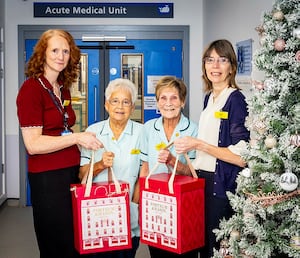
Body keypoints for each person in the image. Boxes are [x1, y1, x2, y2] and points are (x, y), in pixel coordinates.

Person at [16, 29, 103, 258]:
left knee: (73, 241)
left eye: (65, 51)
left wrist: (83, 136)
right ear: (42, 53)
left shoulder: (61, 88)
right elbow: (33, 144)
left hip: (69, 172)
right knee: (56, 243)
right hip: (48, 178)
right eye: (54, 50)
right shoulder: (31, 89)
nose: (60, 56)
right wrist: (76, 138)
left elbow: (62, 128)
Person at [173, 39, 250, 258]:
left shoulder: (235, 100)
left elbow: (242, 156)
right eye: (210, 60)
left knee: (216, 249)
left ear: (231, 67)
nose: (215, 66)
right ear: (204, 66)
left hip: (222, 186)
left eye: (222, 60)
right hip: (203, 182)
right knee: (202, 244)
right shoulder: (210, 98)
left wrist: (199, 144)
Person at [79, 78, 143, 258]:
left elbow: (143, 174)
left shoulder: (141, 133)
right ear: (106, 105)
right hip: (98, 213)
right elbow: (82, 174)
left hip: (129, 216)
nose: (120, 107)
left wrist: (133, 205)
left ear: (132, 107)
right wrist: (100, 165)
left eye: (126, 102)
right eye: (115, 101)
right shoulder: (93, 131)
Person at [139, 76, 199, 258]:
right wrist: (142, 203)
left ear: (182, 102)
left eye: (174, 98)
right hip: (156, 208)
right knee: (157, 253)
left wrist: (172, 161)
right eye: (163, 98)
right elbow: (145, 168)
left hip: (184, 208)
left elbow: (194, 173)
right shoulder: (148, 128)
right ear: (157, 103)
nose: (168, 103)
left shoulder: (193, 130)